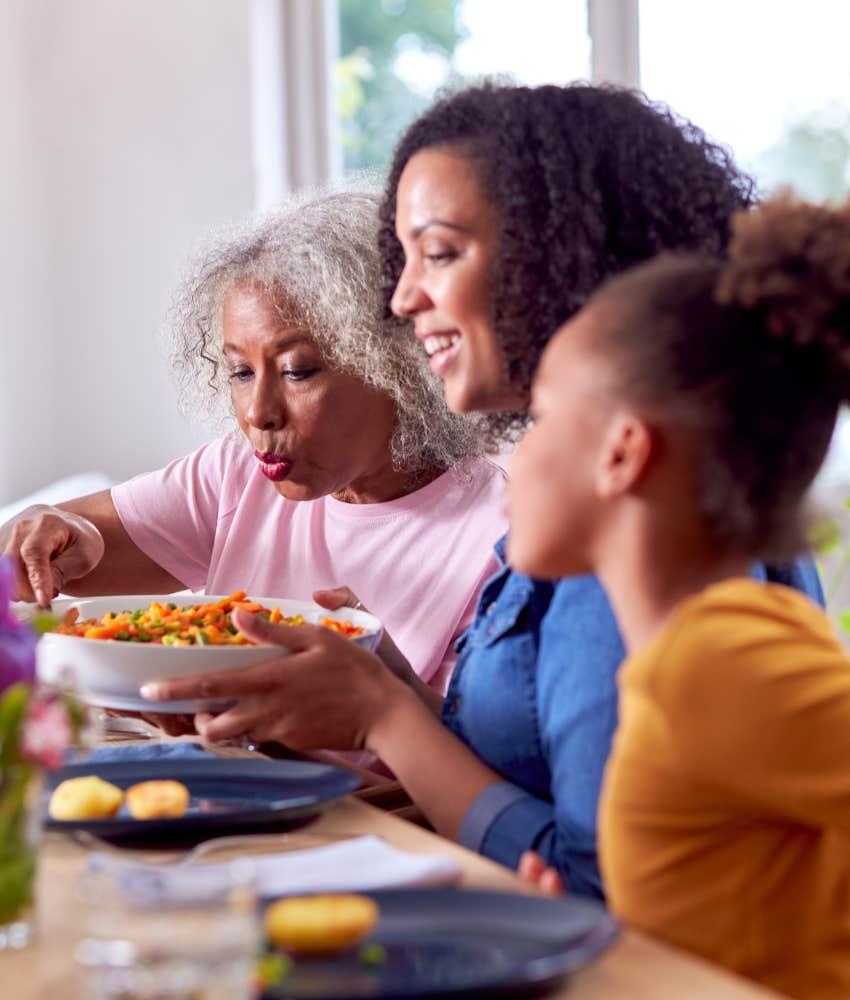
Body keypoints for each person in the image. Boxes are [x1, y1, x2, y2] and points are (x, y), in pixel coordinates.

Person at [139, 85, 822, 893]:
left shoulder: (636, 527)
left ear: (557, 255)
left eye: (440, 253)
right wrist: (376, 690)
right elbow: (525, 779)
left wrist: (381, 714)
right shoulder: (575, 489)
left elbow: (601, 882)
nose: (399, 300)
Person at [506, 192, 850, 999]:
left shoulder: (717, 658)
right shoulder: (702, 650)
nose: (515, 460)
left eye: (539, 418)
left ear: (622, 453)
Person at [1, 191, 506, 703]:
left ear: (400, 365)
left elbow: (476, 772)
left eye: (296, 371)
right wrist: (50, 530)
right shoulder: (239, 475)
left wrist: (375, 703)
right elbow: (35, 556)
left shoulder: (502, 537)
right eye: (241, 372)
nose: (256, 412)